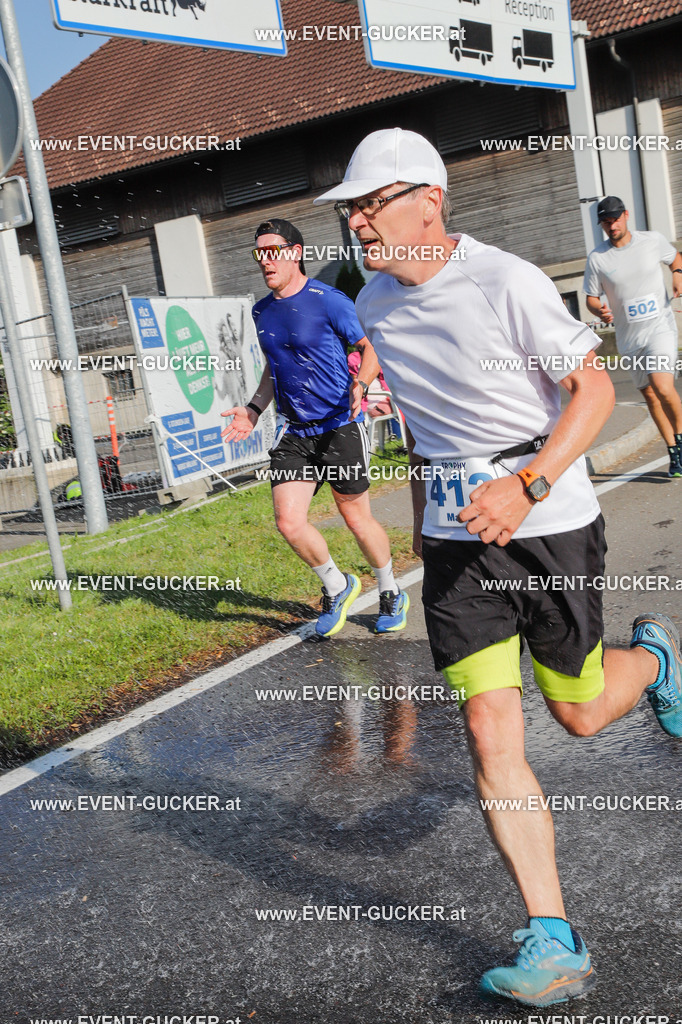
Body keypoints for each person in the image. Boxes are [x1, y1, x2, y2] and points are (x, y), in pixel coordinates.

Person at [314, 128, 682, 1007]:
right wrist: (417, 544)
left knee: (581, 713)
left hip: (548, 521)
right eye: (351, 210)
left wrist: (527, 484)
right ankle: (553, 937)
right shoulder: (370, 303)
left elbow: (593, 391)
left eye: (372, 205)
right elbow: (418, 427)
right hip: (453, 543)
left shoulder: (504, 279)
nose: (358, 224)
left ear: (428, 202)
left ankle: (658, 659)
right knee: (489, 730)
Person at [220, 217, 409, 637]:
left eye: (272, 251)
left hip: (339, 424)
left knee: (355, 517)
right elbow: (275, 365)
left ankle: (391, 590)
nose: (264, 261)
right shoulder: (261, 310)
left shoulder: (329, 300)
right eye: (259, 253)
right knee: (289, 522)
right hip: (296, 431)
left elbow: (368, 348)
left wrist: (361, 383)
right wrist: (253, 409)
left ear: (295, 252)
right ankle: (337, 585)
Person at [584, 196, 682, 477]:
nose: (611, 225)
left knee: (662, 386)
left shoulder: (651, 241)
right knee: (651, 396)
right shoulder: (598, 258)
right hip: (629, 338)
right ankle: (673, 451)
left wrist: (677, 274)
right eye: (605, 221)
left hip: (659, 328)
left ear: (626, 215)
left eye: (615, 218)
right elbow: (591, 297)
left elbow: (674, 257)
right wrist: (599, 311)